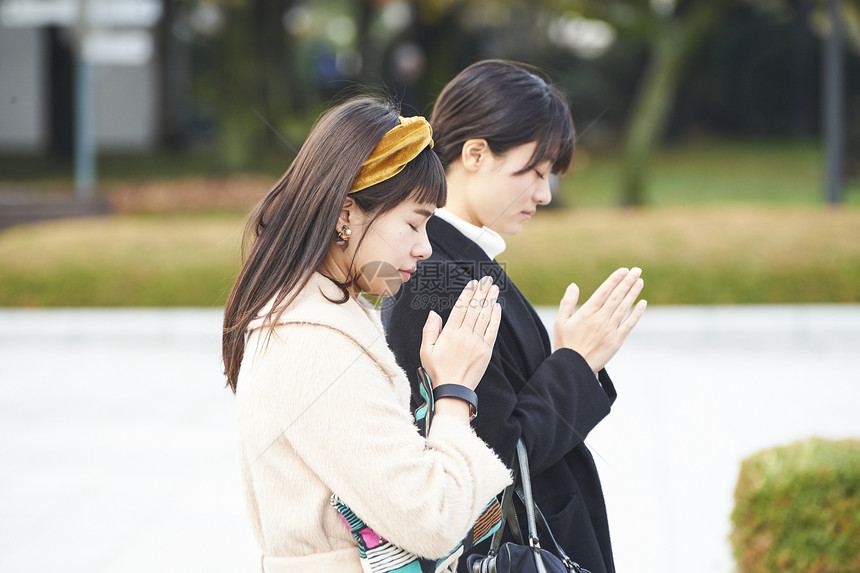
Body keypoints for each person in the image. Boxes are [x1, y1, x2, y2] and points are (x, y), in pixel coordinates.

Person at [222, 97, 512, 572]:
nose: (424, 248)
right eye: (414, 223)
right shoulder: (312, 342)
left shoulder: (316, 314)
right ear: (345, 215)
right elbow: (431, 519)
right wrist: (454, 391)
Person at [382, 60, 647, 573]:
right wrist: (575, 362)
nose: (544, 194)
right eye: (533, 171)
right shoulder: (435, 277)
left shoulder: (455, 260)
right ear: (476, 153)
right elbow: (496, 452)